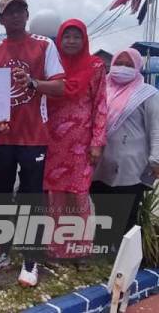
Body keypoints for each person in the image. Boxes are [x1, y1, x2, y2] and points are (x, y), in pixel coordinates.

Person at [0, 0, 65, 287]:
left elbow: (59, 87)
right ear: (0, 19)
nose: (16, 16)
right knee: (0, 195)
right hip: (3, 137)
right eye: (9, 12)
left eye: (21, 10)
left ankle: (30, 260)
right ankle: (0, 251)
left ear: (27, 15)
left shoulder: (44, 45)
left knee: (30, 198)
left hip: (34, 137)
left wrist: (32, 83)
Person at [43, 19, 107, 261]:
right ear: (59, 39)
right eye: (66, 36)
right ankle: (56, 247)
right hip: (51, 140)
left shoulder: (95, 66)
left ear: (84, 40)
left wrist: (97, 142)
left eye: (76, 36)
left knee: (78, 195)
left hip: (81, 142)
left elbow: (101, 104)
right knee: (55, 195)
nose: (70, 41)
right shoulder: (52, 65)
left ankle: (80, 249)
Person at [91, 48, 159, 245]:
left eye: (129, 65)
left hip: (130, 166)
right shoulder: (100, 88)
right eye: (119, 63)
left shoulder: (147, 94)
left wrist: (156, 160)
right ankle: (104, 251)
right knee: (102, 208)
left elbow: (156, 128)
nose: (123, 68)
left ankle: (123, 256)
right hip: (100, 162)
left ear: (138, 68)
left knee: (126, 212)